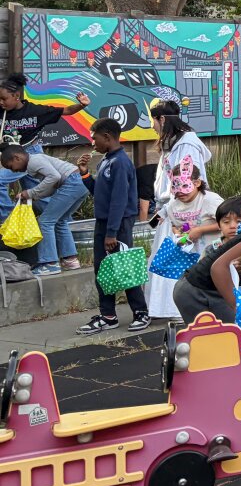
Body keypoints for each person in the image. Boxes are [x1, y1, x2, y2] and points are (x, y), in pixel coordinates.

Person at [76, 118, 150, 335]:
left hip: (118, 224)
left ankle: (141, 312)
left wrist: (111, 233)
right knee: (102, 269)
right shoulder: (106, 161)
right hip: (104, 223)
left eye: (95, 138)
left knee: (124, 266)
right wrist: (84, 173)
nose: (93, 142)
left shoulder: (120, 163)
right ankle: (108, 316)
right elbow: (99, 193)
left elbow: (119, 200)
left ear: (107, 137)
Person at [0, 73, 90, 225]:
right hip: (13, 158)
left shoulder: (34, 111)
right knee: (37, 197)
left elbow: (66, 111)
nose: (1, 102)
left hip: (30, 154)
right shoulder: (1, 112)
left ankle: (8, 221)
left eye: (4, 99)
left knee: (6, 182)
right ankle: (62, 223)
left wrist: (82, 105)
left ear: (16, 96)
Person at [147, 156, 224, 320]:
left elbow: (229, 223)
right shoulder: (173, 205)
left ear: (197, 183)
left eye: (184, 185)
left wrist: (201, 230)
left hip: (215, 254)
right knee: (194, 289)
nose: (179, 191)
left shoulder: (210, 200)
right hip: (191, 256)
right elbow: (175, 225)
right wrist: (179, 233)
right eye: (175, 186)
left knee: (217, 290)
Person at [173, 197, 241, 324]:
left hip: (222, 293)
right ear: (219, 225)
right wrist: (238, 307)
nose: (233, 226)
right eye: (226, 222)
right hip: (204, 292)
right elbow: (211, 271)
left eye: (239, 221)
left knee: (231, 328)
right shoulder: (213, 249)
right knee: (213, 330)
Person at [0, 145, 85, 275]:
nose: (14, 171)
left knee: (45, 221)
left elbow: (54, 177)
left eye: (11, 167)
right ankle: (70, 260)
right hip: (79, 183)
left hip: (71, 183)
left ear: (17, 158)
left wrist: (31, 192)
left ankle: (50, 264)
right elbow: (52, 185)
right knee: (60, 221)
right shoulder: (34, 163)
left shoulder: (33, 161)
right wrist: (32, 196)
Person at [148, 100, 211, 206]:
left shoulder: (187, 146)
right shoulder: (171, 144)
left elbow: (188, 182)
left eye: (152, 120)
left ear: (162, 119)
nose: (152, 126)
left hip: (183, 208)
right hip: (170, 207)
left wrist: (171, 208)